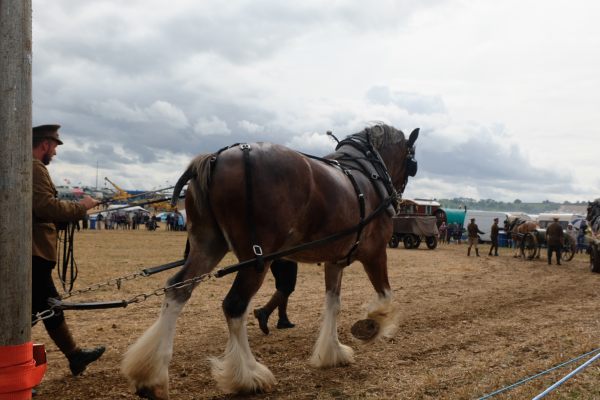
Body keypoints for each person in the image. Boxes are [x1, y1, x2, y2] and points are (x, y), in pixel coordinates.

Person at [32, 124, 105, 376]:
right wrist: (81, 207)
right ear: (44, 144)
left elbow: (37, 210)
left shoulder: (30, 167)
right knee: (42, 308)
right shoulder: (34, 168)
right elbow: (44, 206)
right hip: (34, 253)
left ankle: (75, 356)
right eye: (54, 147)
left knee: (45, 307)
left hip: (36, 252)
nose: (55, 152)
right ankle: (73, 356)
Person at [253, 259, 297, 335]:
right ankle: (264, 312)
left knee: (282, 285)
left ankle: (283, 319)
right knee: (288, 287)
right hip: (286, 254)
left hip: (274, 256)